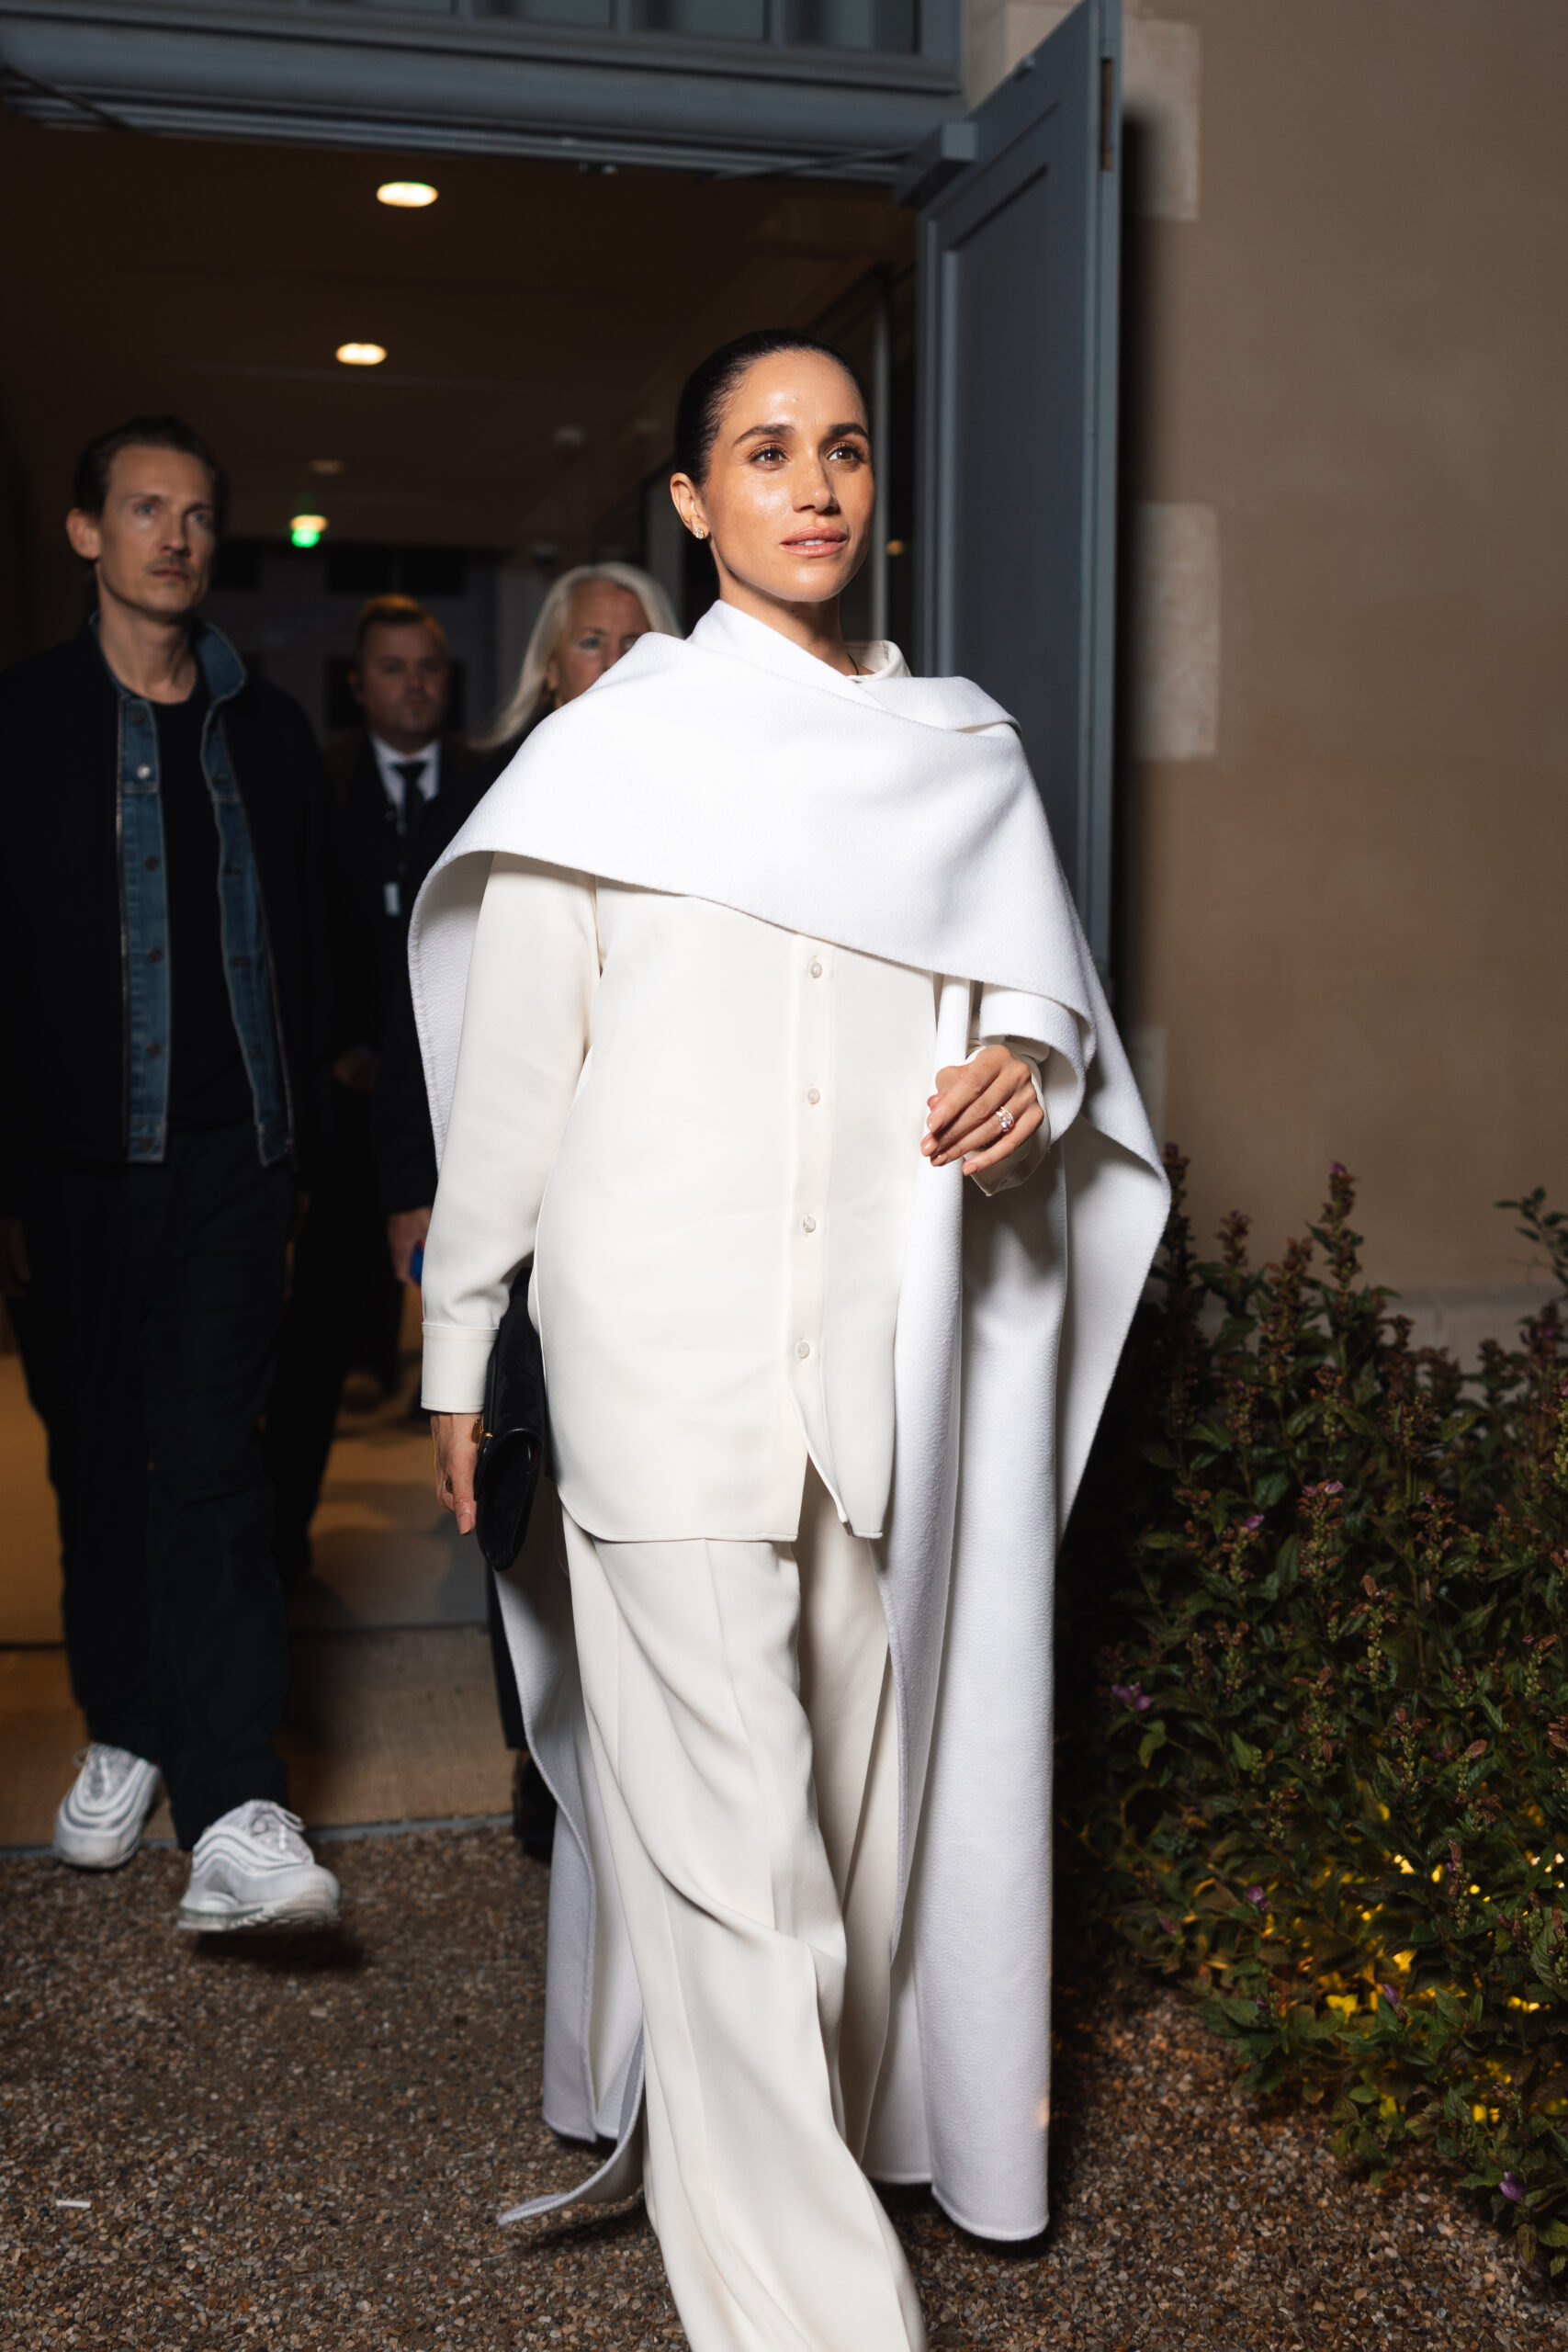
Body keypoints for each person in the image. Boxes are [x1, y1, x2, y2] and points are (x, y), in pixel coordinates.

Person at [410, 334, 1168, 2350]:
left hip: (867, 1373)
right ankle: (823, 2315)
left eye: (838, 449)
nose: (811, 484)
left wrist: (1022, 1063)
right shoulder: (617, 742)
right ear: (690, 502)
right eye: (764, 451)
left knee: (825, 1843)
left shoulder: (955, 753)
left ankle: (758, 2185)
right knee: (746, 1870)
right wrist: (456, 1344)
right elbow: (512, 1075)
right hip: (651, 1354)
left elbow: (1041, 1027)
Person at [0, 414, 340, 1930]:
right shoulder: (18, 723)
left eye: (198, 514)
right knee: (97, 1464)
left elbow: (324, 957)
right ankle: (130, 1723)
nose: (175, 537)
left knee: (211, 1468)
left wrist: (322, 1162)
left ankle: (235, 1800)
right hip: (70, 1170)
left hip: (230, 1158)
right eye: (144, 510)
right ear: (87, 534)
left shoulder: (266, 732)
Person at [371, 563, 677, 1856]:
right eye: (589, 643)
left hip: (656, 1236)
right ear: (550, 666)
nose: (611, 661)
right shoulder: (515, 801)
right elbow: (433, 1035)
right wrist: (420, 1206)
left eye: (634, 641)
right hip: (522, 1208)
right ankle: (537, 1753)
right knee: (520, 1498)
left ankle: (634, 1766)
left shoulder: (705, 802)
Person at [265, 594, 488, 1581]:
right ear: (361, 685)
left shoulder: (492, 781)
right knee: (318, 1330)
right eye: (393, 669)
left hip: (468, 1103)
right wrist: (340, 1057)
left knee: (486, 1321)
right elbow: (299, 943)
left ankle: (499, 1533)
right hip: (348, 1102)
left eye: (429, 668)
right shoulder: (320, 784)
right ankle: (281, 1544)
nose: (414, 685)